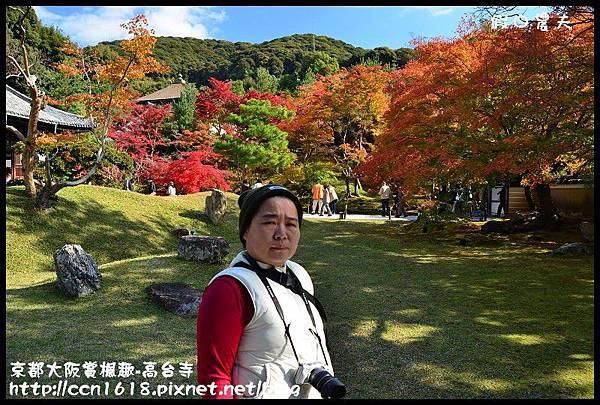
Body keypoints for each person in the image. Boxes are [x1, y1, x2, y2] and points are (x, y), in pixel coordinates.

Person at [196, 185, 342, 399]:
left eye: (291, 224)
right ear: (246, 230)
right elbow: (214, 379)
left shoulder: (298, 274)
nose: (282, 234)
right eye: (269, 223)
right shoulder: (229, 289)